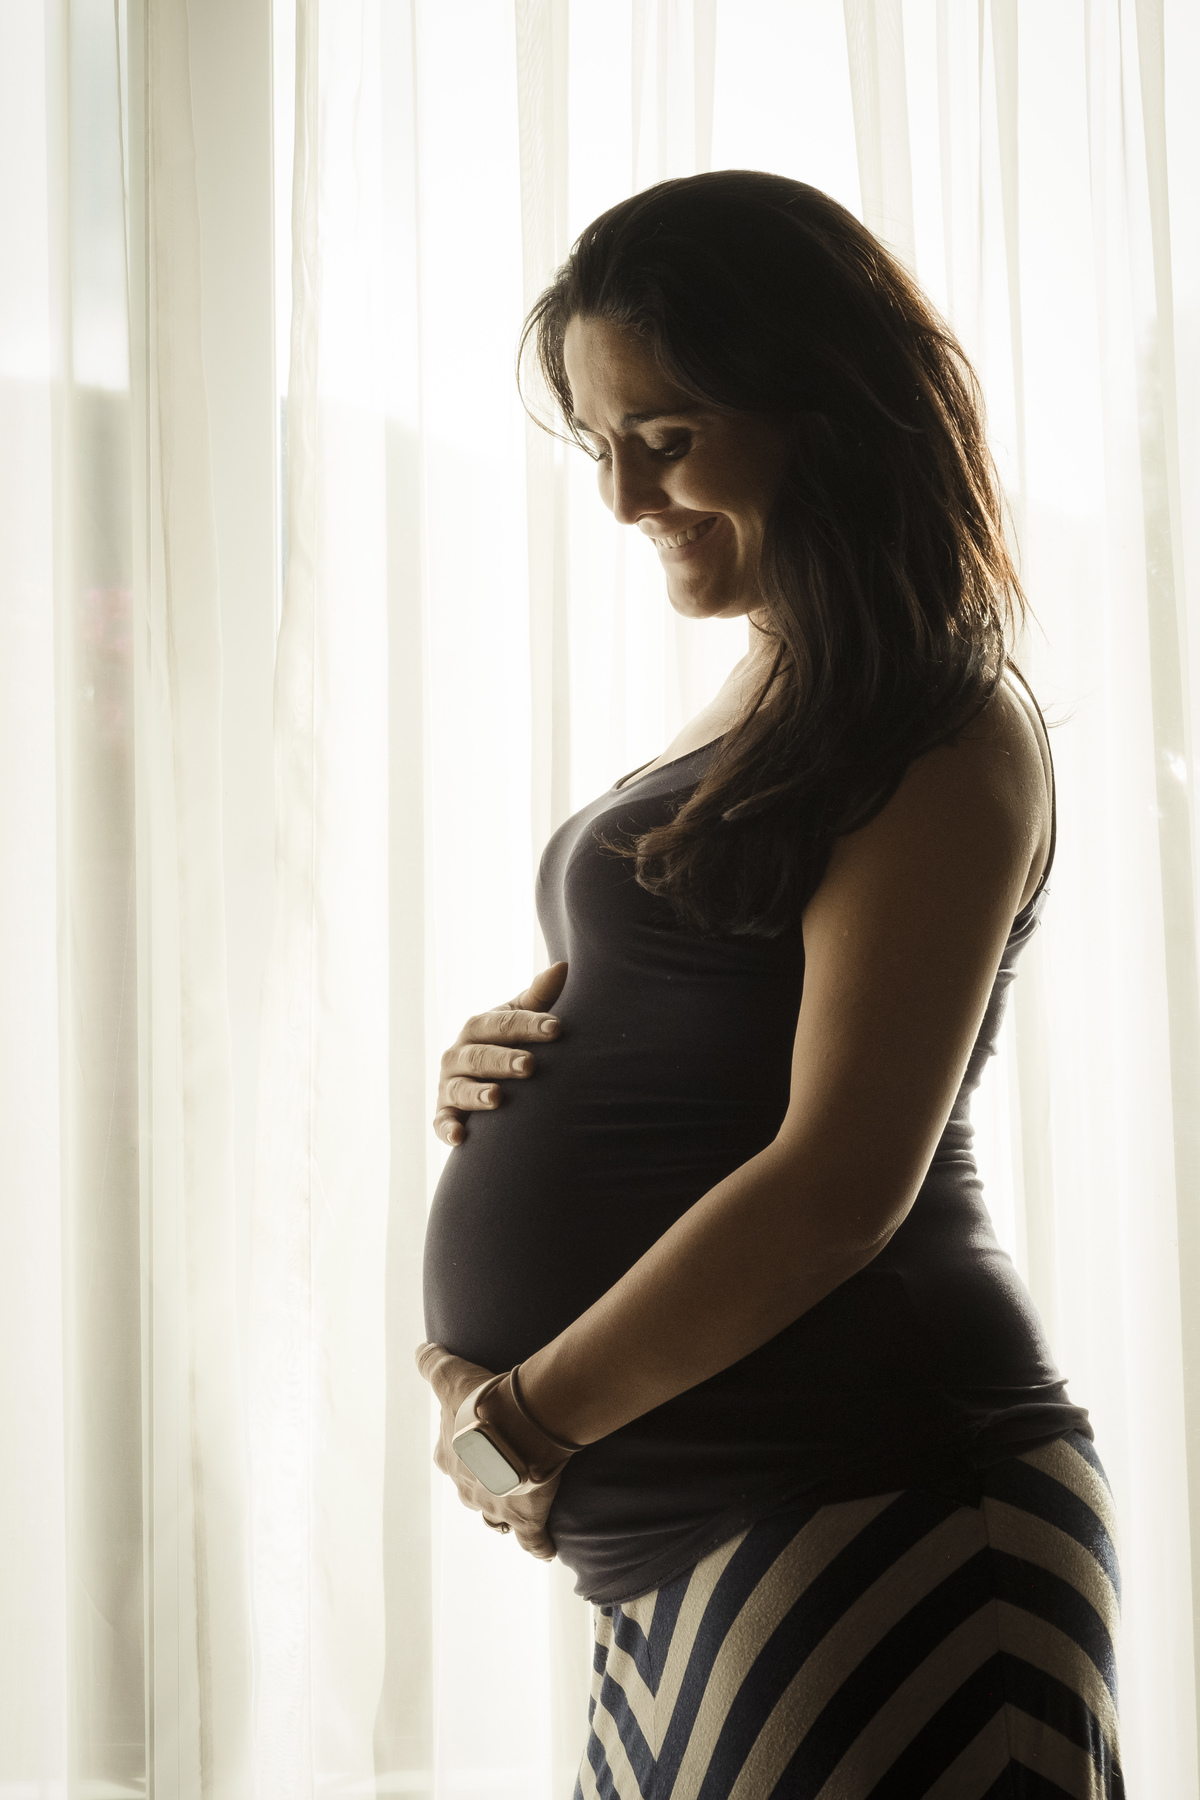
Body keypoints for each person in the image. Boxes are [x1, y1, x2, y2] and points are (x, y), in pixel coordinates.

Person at [416, 172, 1122, 1800]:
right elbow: (697, 1028)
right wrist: (511, 1062)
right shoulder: (779, 693)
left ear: (830, 408)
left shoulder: (939, 727)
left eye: (665, 435)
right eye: (597, 444)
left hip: (870, 1515)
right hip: (683, 1546)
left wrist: (518, 1420)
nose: (622, 497)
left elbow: (833, 1189)